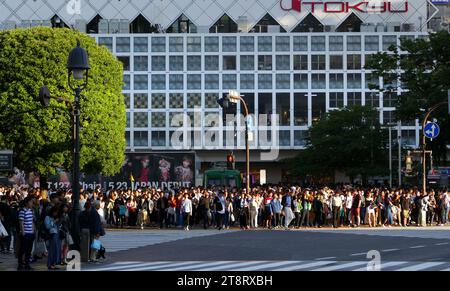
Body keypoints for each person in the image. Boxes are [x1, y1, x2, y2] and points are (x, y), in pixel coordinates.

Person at [17, 196, 35, 270]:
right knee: (22, 250)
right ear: (27, 203)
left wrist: (33, 231)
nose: (32, 203)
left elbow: (32, 222)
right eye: (31, 202)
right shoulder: (22, 211)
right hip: (25, 234)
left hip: (31, 233)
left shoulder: (31, 211)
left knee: (29, 250)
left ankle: (27, 264)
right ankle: (20, 264)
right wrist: (23, 232)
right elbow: (21, 222)